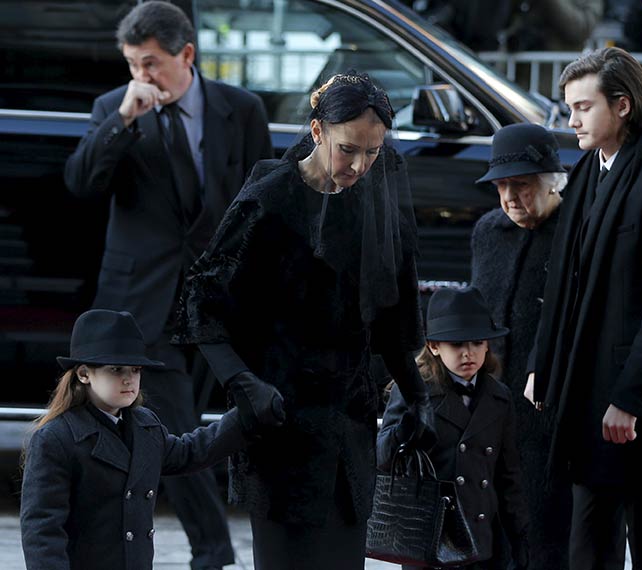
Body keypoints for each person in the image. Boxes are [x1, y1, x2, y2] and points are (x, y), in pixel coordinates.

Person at [172, 71, 435, 570]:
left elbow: (395, 304)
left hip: (348, 420)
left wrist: (415, 392)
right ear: (317, 132)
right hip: (279, 421)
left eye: (373, 151)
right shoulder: (270, 199)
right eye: (348, 149)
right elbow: (202, 302)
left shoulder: (383, 182)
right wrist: (243, 382)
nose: (361, 165)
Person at [62, 3, 273, 568]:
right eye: (132, 63)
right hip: (144, 302)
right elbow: (82, 183)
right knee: (169, 424)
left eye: (150, 63)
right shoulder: (116, 107)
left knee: (245, 410)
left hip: (220, 296)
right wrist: (123, 122)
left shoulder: (241, 109)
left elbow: (263, 199)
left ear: (186, 55)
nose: (141, 76)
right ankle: (213, 550)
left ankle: (253, 538)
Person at [525, 47, 642, 569]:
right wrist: (543, 359)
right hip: (587, 396)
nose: (571, 119)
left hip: (641, 408)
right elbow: (563, 277)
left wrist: (630, 399)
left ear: (622, 106)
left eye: (583, 107)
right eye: (570, 107)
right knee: (589, 547)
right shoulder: (588, 171)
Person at [19, 309, 284, 570]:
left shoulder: (144, 425)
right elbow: (42, 531)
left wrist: (245, 417)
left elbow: (190, 453)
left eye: (135, 369)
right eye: (115, 369)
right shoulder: (56, 439)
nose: (128, 379)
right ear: (84, 374)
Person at [470, 123, 572, 570]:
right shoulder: (488, 231)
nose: (510, 197)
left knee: (545, 535)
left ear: (552, 183)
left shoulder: (576, 233)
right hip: (491, 409)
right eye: (501, 186)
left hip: (548, 412)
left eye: (522, 185)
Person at [377, 287, 529, 570]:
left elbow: (509, 474)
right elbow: (383, 458)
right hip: (429, 537)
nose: (468, 353)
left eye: (476, 342)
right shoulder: (413, 391)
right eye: (457, 344)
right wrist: (406, 430)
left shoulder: (499, 397)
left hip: (480, 538)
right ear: (434, 347)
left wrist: (519, 536)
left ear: (487, 345)